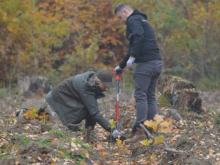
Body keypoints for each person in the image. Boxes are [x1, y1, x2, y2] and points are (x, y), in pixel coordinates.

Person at [114, 4, 163, 143]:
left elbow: (138, 38)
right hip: (157, 63)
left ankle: (141, 131)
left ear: (125, 11)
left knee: (140, 95)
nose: (121, 20)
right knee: (150, 96)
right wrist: (122, 65)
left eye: (120, 16)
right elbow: (135, 43)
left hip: (146, 64)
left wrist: (133, 57)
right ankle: (152, 129)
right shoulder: (142, 20)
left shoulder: (133, 20)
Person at [45, 70, 115, 143]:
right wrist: (111, 129)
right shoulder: (87, 87)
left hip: (66, 96)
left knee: (89, 110)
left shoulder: (92, 81)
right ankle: (72, 134)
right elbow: (94, 113)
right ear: (98, 81)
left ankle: (88, 135)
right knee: (83, 112)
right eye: (105, 86)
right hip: (57, 97)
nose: (106, 89)